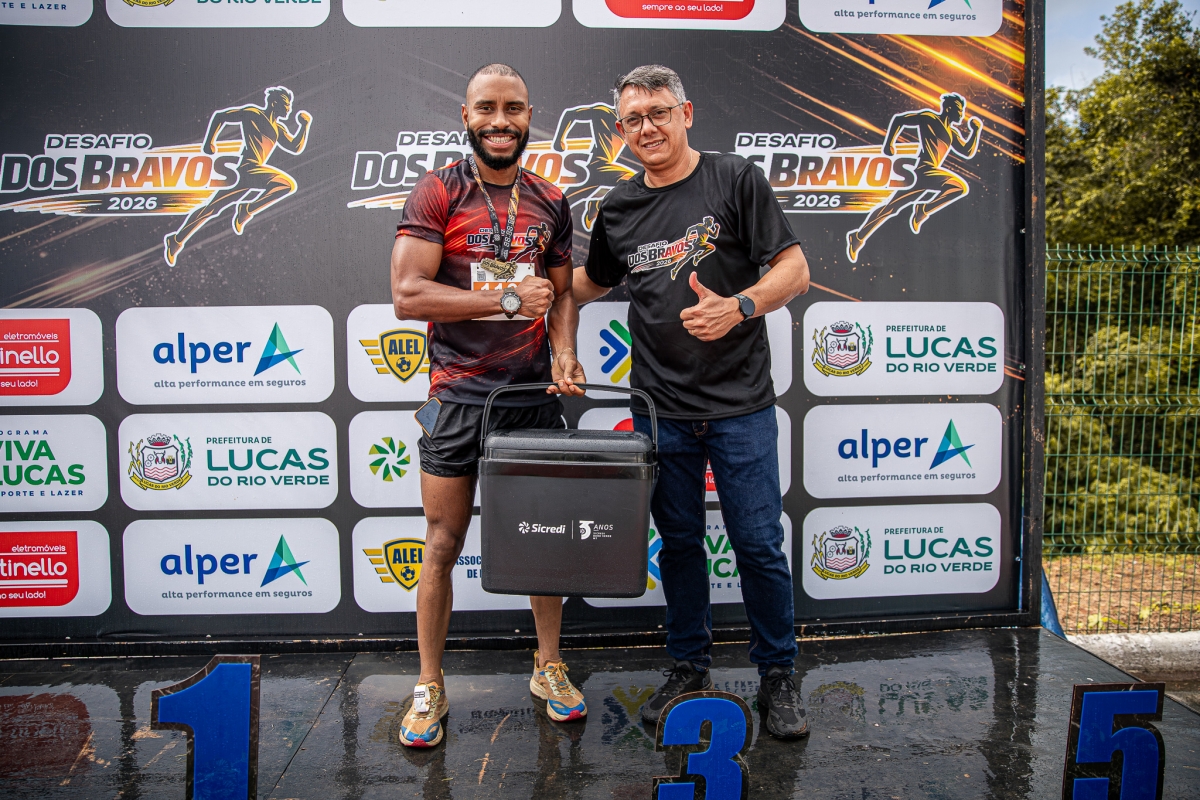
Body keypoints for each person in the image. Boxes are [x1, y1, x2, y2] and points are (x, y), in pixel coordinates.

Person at [572, 65, 811, 739]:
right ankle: (688, 667)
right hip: (661, 412)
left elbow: (794, 269)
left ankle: (778, 675)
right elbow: (589, 282)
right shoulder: (619, 207)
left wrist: (741, 306)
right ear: (621, 131)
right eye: (632, 119)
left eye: (658, 112)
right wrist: (534, 292)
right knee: (678, 545)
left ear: (686, 113)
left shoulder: (734, 179)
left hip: (741, 406)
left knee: (758, 544)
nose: (646, 128)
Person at [390, 63, 588, 748]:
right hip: (456, 399)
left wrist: (564, 353)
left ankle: (548, 666)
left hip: (530, 398)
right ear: (467, 116)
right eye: (487, 109)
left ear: (529, 116)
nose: (500, 121)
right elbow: (408, 296)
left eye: (514, 108)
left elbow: (562, 293)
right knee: (442, 543)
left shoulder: (551, 199)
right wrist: (505, 298)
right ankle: (429, 684)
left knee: (544, 540)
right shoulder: (439, 190)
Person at [164, 86, 311, 267]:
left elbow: (295, 147)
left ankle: (177, 239)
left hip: (253, 173)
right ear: (274, 103)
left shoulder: (278, 129)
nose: (289, 109)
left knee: (213, 208)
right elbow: (220, 116)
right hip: (247, 169)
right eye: (286, 105)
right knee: (283, 185)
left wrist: (304, 126)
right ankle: (245, 209)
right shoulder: (253, 113)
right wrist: (209, 142)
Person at [845, 93, 982, 263]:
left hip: (928, 175)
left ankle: (858, 236)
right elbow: (899, 120)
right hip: (923, 171)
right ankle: (922, 209)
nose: (962, 115)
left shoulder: (952, 133)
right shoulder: (929, 118)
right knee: (956, 187)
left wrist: (975, 131)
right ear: (949, 109)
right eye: (959, 110)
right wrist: (889, 144)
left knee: (891, 207)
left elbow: (967, 151)